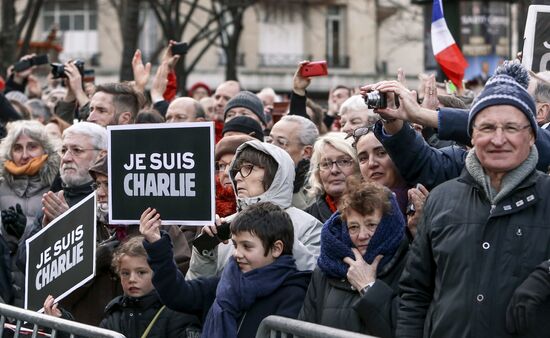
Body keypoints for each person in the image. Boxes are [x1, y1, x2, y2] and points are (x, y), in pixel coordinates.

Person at [396, 62, 550, 337]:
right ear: (472, 135)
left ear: (532, 136)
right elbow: (415, 293)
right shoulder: (441, 199)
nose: (498, 139)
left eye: (512, 128)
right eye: (487, 128)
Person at [140, 202, 311, 338]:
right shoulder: (226, 283)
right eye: (236, 245)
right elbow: (177, 295)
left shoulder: (293, 293)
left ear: (276, 248)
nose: (237, 253)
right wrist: (157, 245)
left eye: (247, 247)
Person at [186, 140, 322, 279]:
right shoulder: (222, 227)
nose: (237, 177)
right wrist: (205, 252)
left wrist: (281, 234)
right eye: (237, 171)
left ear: (276, 175)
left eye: (248, 168)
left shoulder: (309, 226)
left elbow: (315, 283)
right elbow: (196, 293)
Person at [299, 178, 408, 337]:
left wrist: (368, 286)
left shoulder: (408, 265)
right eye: (353, 227)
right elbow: (304, 329)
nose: (362, 236)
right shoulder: (326, 268)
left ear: (387, 225)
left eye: (371, 225)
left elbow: (404, 330)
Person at [44, 236, 201, 338]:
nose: (132, 279)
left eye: (141, 272)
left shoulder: (178, 311)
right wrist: (62, 324)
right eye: (125, 273)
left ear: (159, 272)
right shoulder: (115, 314)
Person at [0, 120, 60, 306]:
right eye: (18, 148)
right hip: (5, 284)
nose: (24, 155)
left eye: (32, 146)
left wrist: (25, 229)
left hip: (39, 285)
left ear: (45, 149)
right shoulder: (1, 185)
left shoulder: (57, 185)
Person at [305, 133, 360, 223]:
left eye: (344, 161)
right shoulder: (307, 219)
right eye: (326, 164)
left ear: (359, 166)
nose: (334, 170)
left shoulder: (380, 208)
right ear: (317, 173)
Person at [268, 115, 319, 210]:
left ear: (306, 152)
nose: (271, 147)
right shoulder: (259, 173)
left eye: (281, 142)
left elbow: (311, 221)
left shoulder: (318, 183)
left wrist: (294, 189)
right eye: (269, 140)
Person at [214, 134, 256, 217]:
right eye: (221, 165)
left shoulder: (265, 209)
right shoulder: (206, 205)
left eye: (234, 165)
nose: (226, 173)